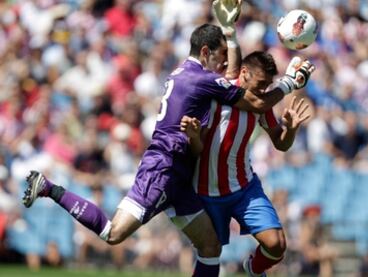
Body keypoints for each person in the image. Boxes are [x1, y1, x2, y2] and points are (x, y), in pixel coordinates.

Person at [22, 2, 314, 276]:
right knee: (113, 234)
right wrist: (289, 82)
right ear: (204, 52)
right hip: (161, 170)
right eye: (220, 57)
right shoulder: (201, 79)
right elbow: (251, 96)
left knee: (210, 248)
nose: (224, 64)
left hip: (184, 178)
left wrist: (229, 33)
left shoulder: (194, 76)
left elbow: (239, 83)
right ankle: (49, 188)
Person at [181, 51, 312, 277]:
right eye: (261, 83)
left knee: (277, 245)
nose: (264, 90)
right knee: (209, 254)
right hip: (207, 191)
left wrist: (290, 130)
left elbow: (281, 144)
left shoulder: (261, 104)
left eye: (267, 85)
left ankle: (253, 268)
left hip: (244, 188)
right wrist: (193, 137)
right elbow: (197, 148)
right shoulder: (215, 93)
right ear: (244, 72)